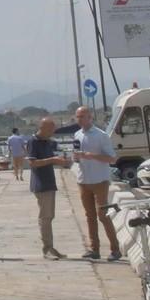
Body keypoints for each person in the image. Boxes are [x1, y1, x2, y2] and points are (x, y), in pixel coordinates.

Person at [72, 106, 122, 262]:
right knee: (89, 216)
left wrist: (90, 155)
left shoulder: (101, 135)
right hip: (83, 181)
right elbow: (76, 155)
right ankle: (94, 249)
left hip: (99, 180)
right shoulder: (77, 134)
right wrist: (76, 158)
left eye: (83, 116)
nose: (80, 119)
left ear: (90, 117)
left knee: (103, 215)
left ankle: (115, 249)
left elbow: (111, 159)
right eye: (78, 116)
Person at [26, 117, 67, 259]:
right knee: (45, 217)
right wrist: (53, 160)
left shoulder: (48, 142)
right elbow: (33, 163)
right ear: (42, 128)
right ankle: (47, 248)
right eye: (51, 129)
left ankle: (50, 246)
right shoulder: (33, 142)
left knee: (49, 216)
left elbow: (49, 159)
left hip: (49, 183)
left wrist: (60, 161)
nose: (53, 132)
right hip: (41, 184)